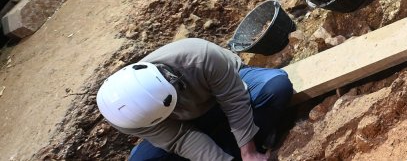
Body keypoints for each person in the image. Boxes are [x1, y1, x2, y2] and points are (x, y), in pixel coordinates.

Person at [96, 37, 292, 161]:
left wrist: (248, 151)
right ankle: (235, 148)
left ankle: (248, 147)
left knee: (276, 86)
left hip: (229, 92)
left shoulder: (199, 56)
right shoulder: (123, 116)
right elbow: (180, 138)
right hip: (187, 124)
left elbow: (234, 101)